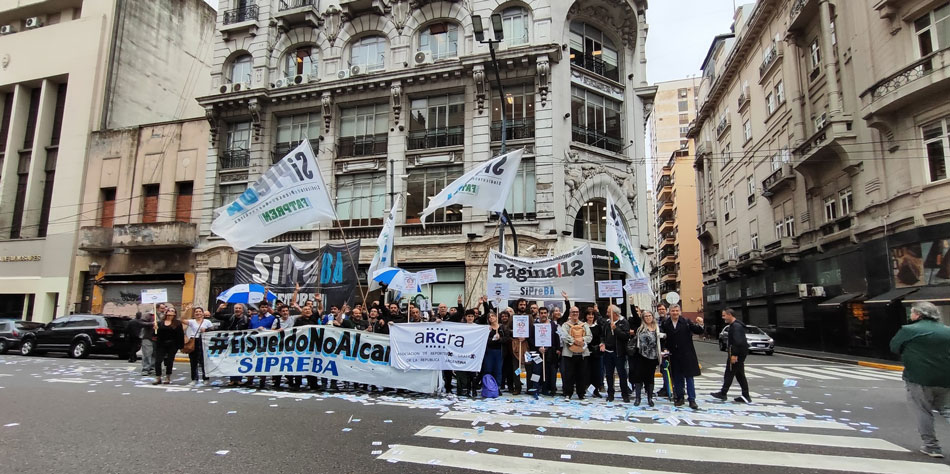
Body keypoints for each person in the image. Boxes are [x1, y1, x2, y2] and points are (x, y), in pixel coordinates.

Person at [890, 301, 950, 459]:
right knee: (947, 410)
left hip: (918, 377)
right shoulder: (947, 331)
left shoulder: (908, 330)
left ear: (918, 314)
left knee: (922, 410)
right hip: (946, 378)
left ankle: (932, 446)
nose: (911, 315)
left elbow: (894, 347)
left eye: (912, 312)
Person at [660, 304, 704, 409]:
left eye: (676, 311)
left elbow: (698, 330)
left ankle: (692, 399)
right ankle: (679, 398)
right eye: (673, 311)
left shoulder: (686, 322)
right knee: (677, 378)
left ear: (680, 312)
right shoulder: (666, 323)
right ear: (669, 312)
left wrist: (701, 324)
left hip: (687, 354)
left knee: (689, 378)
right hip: (673, 355)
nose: (675, 313)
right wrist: (664, 348)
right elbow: (664, 339)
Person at [710, 308, 751, 403]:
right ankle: (746, 396)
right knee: (740, 375)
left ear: (730, 315)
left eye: (724, 315)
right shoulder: (735, 325)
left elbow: (738, 342)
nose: (723, 317)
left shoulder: (736, 327)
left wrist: (734, 355)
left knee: (729, 373)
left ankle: (723, 393)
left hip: (736, 354)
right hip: (738, 354)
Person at [559, 306, 591, 401]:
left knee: (581, 375)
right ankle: (568, 393)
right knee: (568, 375)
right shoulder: (565, 325)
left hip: (582, 354)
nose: (575, 313)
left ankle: (581, 394)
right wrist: (575, 341)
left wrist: (582, 339)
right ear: (570, 313)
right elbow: (564, 336)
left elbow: (589, 336)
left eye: (576, 312)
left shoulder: (584, 325)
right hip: (569, 354)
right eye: (573, 312)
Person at [213, 302, 249, 386]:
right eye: (236, 308)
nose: (237, 310)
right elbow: (217, 316)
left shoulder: (246, 319)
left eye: (239, 308)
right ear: (234, 310)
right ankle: (232, 379)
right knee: (231, 361)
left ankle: (239, 379)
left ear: (242, 310)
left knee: (239, 361)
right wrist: (220, 308)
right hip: (230, 343)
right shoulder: (230, 317)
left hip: (241, 343)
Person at [601, 305, 631, 403]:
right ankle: (610, 394)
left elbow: (626, 336)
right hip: (608, 352)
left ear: (614, 313)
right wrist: (602, 343)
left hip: (619, 353)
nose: (607, 314)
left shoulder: (624, 322)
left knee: (622, 374)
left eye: (608, 312)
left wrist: (616, 329)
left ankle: (625, 394)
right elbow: (602, 335)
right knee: (609, 374)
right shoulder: (607, 323)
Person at [631, 310, 661, 407]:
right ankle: (638, 398)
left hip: (653, 356)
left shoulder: (657, 328)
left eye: (649, 316)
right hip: (641, 355)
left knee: (650, 377)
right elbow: (635, 317)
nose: (648, 317)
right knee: (638, 377)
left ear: (652, 317)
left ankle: (650, 398)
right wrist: (631, 305)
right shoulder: (640, 328)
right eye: (646, 316)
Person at [529, 306, 560, 396]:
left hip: (549, 352)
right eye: (541, 313)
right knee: (536, 371)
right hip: (537, 352)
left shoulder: (552, 325)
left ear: (547, 314)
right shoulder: (534, 325)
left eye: (545, 313)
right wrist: (538, 347)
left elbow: (556, 337)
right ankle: (535, 388)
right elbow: (531, 338)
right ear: (539, 314)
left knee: (546, 371)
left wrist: (557, 348)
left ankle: (545, 389)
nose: (543, 315)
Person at [152, 305, 184, 385]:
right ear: (166, 312)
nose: (170, 312)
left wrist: (180, 346)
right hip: (161, 344)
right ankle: (158, 377)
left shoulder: (177, 323)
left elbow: (180, 335)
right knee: (158, 361)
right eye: (169, 310)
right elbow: (155, 335)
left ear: (175, 314)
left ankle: (168, 377)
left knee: (169, 361)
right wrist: (155, 329)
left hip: (172, 344)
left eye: (173, 311)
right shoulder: (160, 323)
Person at [185, 307, 213, 385]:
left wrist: (206, 330)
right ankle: (194, 379)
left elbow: (213, 330)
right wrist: (187, 311)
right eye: (196, 312)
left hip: (204, 341)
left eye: (200, 311)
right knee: (193, 361)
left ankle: (206, 378)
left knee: (204, 361)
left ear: (203, 313)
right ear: (194, 314)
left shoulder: (207, 322)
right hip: (194, 341)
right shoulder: (192, 321)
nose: (198, 313)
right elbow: (182, 320)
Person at [456, 310, 479, 397]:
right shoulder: (461, 327)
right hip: (463, 351)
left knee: (473, 372)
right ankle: (466, 389)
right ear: (465, 317)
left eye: (472, 316)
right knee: (465, 371)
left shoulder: (477, 327)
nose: (470, 318)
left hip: (474, 351)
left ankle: (473, 389)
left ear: (474, 317)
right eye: (468, 316)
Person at [482, 312, 506, 390]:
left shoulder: (502, 328)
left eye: (492, 316)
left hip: (499, 351)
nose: (491, 318)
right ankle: (488, 386)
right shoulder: (487, 328)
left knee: (498, 370)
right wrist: (493, 339)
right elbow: (484, 340)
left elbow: (507, 339)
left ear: (496, 317)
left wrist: (500, 339)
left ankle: (497, 387)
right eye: (489, 317)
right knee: (488, 369)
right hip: (489, 351)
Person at [585, 310, 604, 398]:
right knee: (586, 372)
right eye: (589, 314)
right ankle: (586, 389)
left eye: (592, 315)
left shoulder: (598, 327)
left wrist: (601, 344)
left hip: (596, 352)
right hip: (585, 351)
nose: (590, 316)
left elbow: (601, 337)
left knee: (596, 372)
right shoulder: (583, 326)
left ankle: (595, 390)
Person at [654, 303, 671, 397]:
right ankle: (666, 387)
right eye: (659, 309)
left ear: (666, 310)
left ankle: (671, 388)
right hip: (660, 348)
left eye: (663, 309)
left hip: (668, 348)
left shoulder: (669, 320)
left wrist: (663, 335)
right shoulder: (657, 321)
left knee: (669, 370)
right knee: (664, 369)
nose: (661, 310)